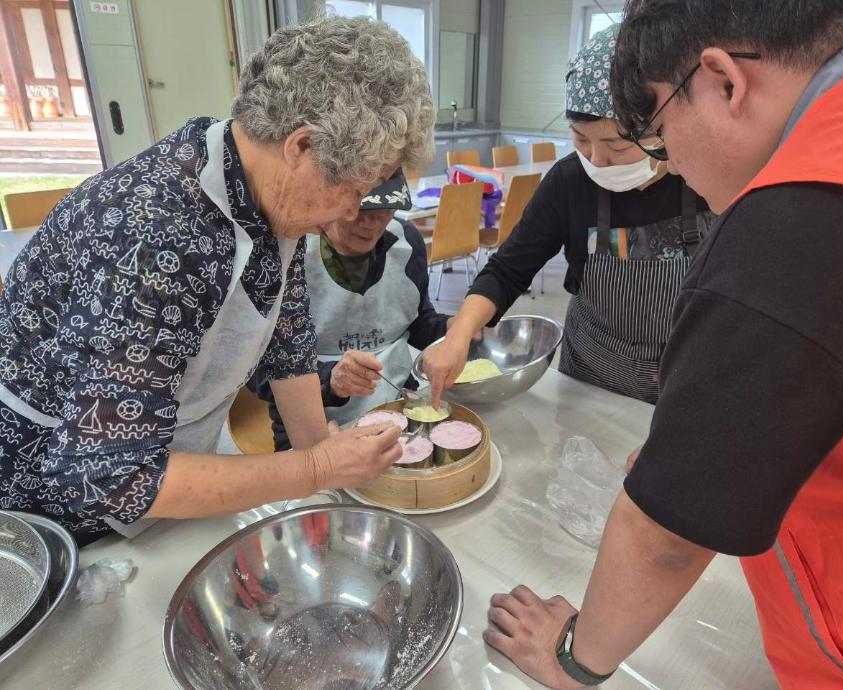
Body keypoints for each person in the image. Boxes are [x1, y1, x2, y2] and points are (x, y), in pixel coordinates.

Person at [482, 1, 843, 688]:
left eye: (656, 134)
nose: (673, 166)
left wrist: (575, 659)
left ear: (721, 81)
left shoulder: (807, 215)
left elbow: (667, 538)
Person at [0, 16, 436, 545]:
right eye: (357, 190)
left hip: (172, 467)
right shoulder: (157, 236)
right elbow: (108, 475)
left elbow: (287, 336)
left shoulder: (263, 185)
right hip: (59, 516)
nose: (354, 211)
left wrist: (321, 453)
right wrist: (316, 469)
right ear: (301, 148)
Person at [423, 25, 715, 408]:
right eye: (581, 139)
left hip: (685, 381)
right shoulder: (570, 181)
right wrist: (459, 333)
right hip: (592, 375)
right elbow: (508, 270)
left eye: (616, 144)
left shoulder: (707, 177)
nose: (596, 159)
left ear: (661, 129)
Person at [249, 169, 450, 448]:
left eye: (385, 210)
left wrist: (453, 331)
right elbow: (252, 370)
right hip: (314, 419)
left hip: (398, 405)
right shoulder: (287, 251)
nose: (371, 223)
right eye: (360, 209)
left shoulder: (406, 242)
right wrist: (329, 380)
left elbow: (415, 322)